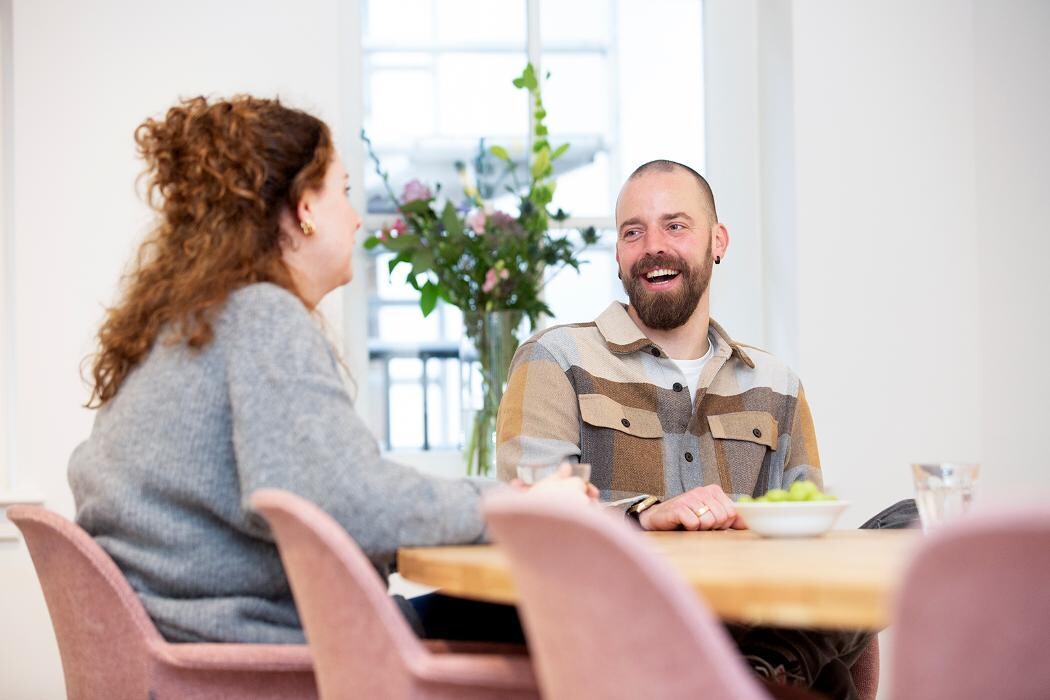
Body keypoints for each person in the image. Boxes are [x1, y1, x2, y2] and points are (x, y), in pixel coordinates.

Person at [68, 95, 589, 646]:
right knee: (572, 611)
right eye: (341, 191)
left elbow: (323, 498)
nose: (357, 214)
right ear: (304, 209)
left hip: (204, 645)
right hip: (269, 658)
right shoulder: (260, 314)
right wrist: (518, 510)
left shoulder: (188, 326)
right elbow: (347, 500)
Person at [495, 160, 870, 697]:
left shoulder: (777, 386)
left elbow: (806, 536)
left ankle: (771, 663)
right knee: (827, 677)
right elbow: (531, 519)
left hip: (753, 621)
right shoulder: (555, 359)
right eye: (633, 231)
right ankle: (773, 670)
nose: (653, 246)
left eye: (675, 225)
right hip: (623, 646)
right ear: (619, 256)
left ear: (718, 241)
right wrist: (642, 517)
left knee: (909, 523)